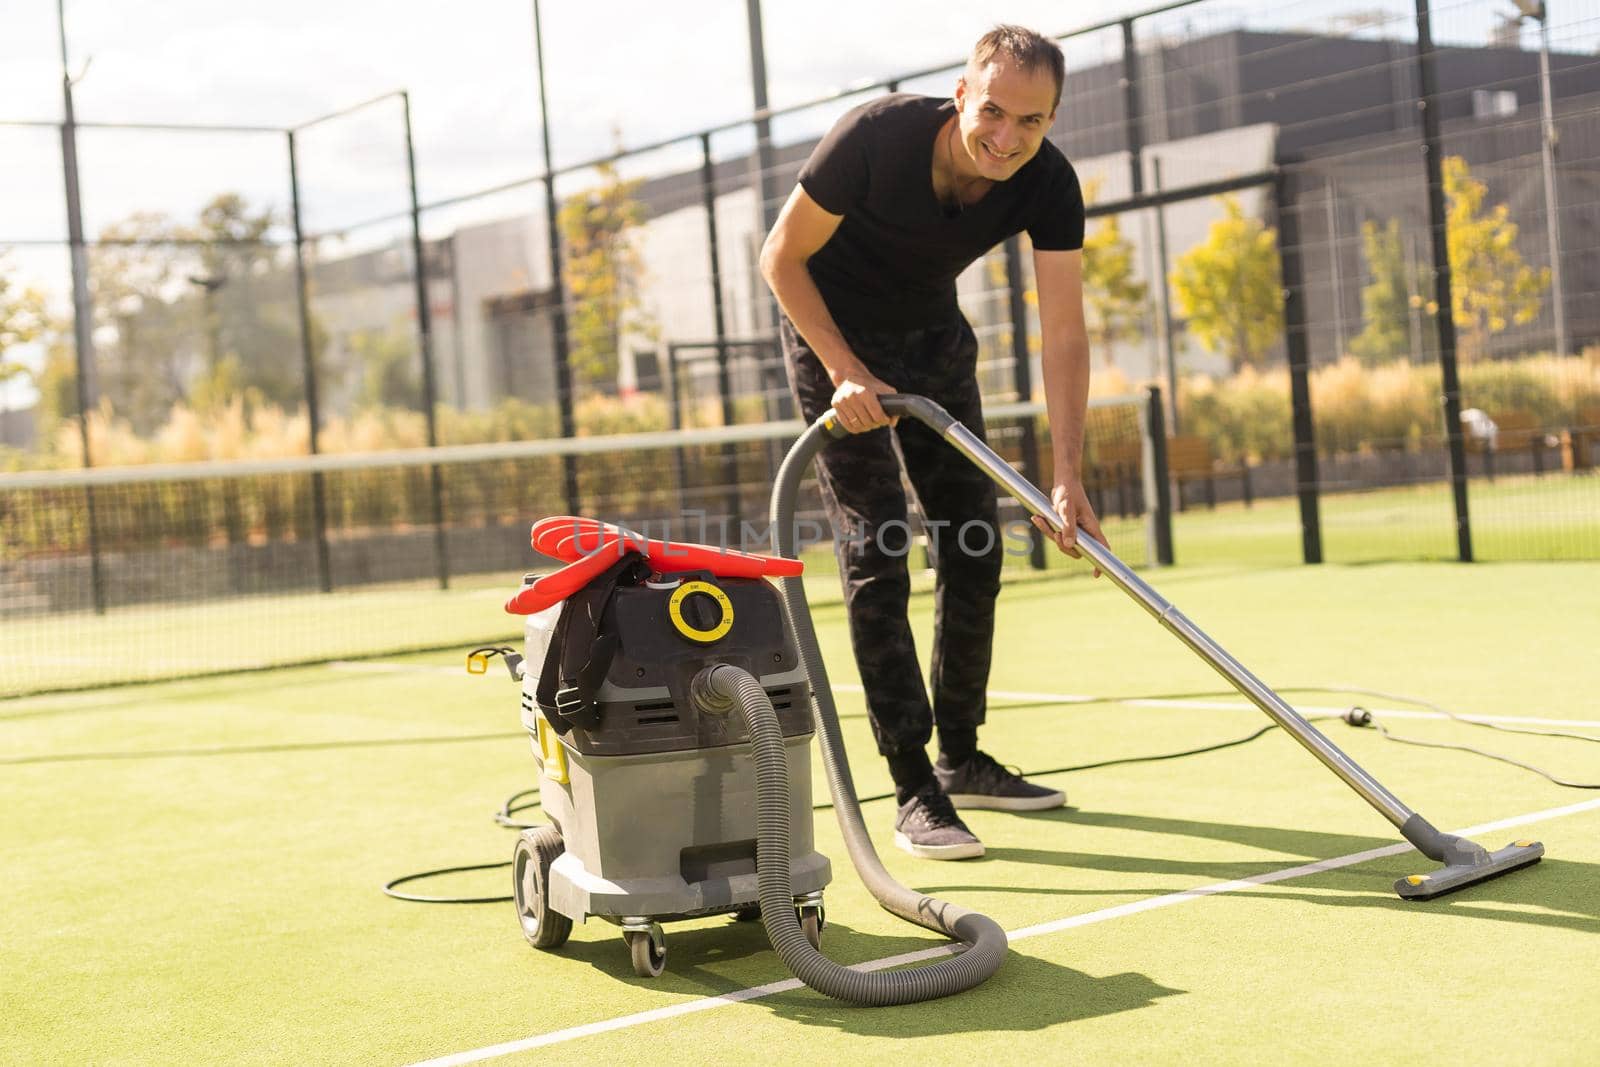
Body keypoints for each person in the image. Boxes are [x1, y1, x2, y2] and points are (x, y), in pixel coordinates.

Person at [760, 25, 1107, 860]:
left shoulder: (1048, 184)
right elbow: (781, 257)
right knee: (880, 550)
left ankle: (961, 755)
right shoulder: (875, 139)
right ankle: (913, 784)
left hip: (932, 341)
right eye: (994, 111)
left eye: (1033, 122)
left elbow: (1063, 332)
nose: (1008, 137)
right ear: (961, 95)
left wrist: (1066, 476)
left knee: (976, 545)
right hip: (833, 339)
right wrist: (844, 370)